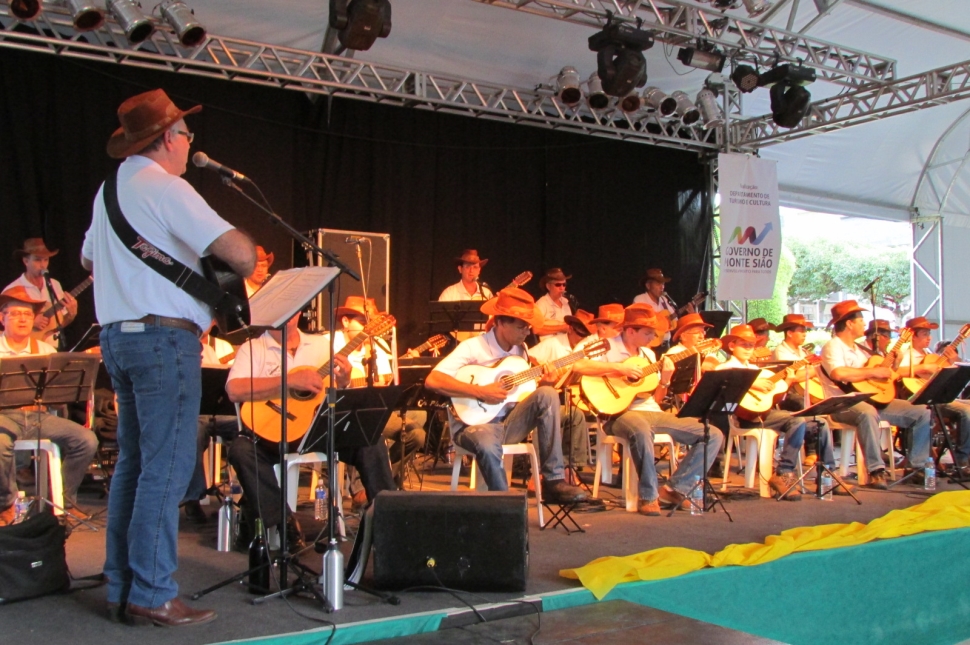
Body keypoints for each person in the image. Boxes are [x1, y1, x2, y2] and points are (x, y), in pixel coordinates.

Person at [82, 88, 256, 626]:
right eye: (185, 134)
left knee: (134, 467)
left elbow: (91, 257)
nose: (189, 142)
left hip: (119, 338)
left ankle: (123, 586)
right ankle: (154, 592)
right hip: (163, 342)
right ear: (165, 139)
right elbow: (243, 256)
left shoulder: (109, 189)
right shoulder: (167, 186)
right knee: (166, 469)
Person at [226, 312, 397, 541]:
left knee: (370, 438)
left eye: (294, 308)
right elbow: (234, 390)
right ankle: (283, 523)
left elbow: (332, 393)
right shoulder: (253, 348)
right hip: (268, 433)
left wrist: (344, 381)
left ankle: (389, 520)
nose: (289, 314)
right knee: (240, 450)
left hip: (316, 428)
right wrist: (288, 381)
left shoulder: (319, 345)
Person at [425, 287, 587, 504]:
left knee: (547, 394)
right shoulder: (473, 347)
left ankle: (553, 480)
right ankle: (505, 504)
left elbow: (522, 393)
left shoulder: (521, 351)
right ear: (501, 322)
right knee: (486, 441)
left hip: (509, 424)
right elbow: (433, 380)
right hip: (472, 427)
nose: (527, 332)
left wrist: (545, 383)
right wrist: (480, 391)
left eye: (528, 327)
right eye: (521, 327)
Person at [572, 304, 722, 515]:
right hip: (618, 414)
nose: (653, 337)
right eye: (648, 332)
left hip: (651, 412)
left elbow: (656, 399)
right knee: (641, 428)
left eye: (654, 332)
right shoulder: (606, 346)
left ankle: (675, 488)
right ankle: (648, 496)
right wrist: (618, 368)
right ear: (630, 330)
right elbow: (578, 366)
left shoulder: (649, 356)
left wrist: (665, 381)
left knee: (712, 434)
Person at [0, 287, 99, 526]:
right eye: (15, 314)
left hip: (38, 416)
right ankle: (6, 504)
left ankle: (63, 502)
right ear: (2, 318)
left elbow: (58, 398)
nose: (22, 319)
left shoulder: (45, 350)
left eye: (27, 314)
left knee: (86, 440)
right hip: (4, 417)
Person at [817, 300, 932, 489]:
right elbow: (839, 373)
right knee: (867, 412)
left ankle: (916, 467)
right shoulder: (833, 346)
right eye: (861, 320)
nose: (864, 324)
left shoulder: (861, 349)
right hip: (842, 404)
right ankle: (876, 470)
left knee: (921, 412)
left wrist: (894, 363)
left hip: (872, 400)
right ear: (849, 323)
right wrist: (872, 373)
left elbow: (881, 374)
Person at [333, 296, 426, 488]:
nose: (368, 328)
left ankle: (381, 478)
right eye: (362, 322)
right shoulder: (328, 343)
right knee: (367, 428)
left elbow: (383, 383)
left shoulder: (376, 349)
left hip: (372, 410)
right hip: (339, 413)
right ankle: (366, 488)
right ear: (345, 321)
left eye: (371, 323)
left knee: (416, 433)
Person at [716, 324, 815, 500]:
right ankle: (784, 474)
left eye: (751, 345)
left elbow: (773, 397)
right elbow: (724, 383)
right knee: (798, 421)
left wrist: (788, 382)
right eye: (743, 345)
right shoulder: (723, 367)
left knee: (799, 421)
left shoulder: (758, 370)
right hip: (741, 417)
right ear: (732, 346)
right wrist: (751, 384)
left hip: (762, 413)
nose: (748, 349)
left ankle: (783, 472)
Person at [896, 316, 970, 473]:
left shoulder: (929, 354)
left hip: (940, 396)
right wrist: (922, 369)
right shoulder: (905, 355)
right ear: (912, 336)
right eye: (924, 334)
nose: (929, 338)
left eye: (929, 334)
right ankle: (962, 460)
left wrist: (954, 359)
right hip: (923, 399)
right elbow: (895, 372)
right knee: (966, 412)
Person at [529, 310, 595, 469]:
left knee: (576, 415)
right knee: (547, 413)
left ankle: (571, 468)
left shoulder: (585, 348)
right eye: (580, 334)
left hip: (571, 395)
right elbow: (529, 356)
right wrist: (543, 369)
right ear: (571, 329)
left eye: (585, 335)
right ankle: (540, 470)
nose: (582, 338)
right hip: (547, 393)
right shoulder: (553, 343)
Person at [5, 238, 78, 347]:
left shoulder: (54, 284)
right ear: (26, 261)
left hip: (52, 348)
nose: (43, 265)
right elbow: (4, 324)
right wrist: (30, 321)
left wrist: (70, 315)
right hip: (25, 349)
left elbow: (57, 325)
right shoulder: (13, 289)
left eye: (46, 260)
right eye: (38, 260)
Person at [633, 268, 682, 347]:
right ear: (648, 286)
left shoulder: (665, 300)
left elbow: (675, 321)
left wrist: (668, 323)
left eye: (663, 284)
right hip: (649, 345)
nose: (662, 287)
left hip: (666, 344)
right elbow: (638, 323)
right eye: (658, 284)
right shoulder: (640, 299)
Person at [535, 268, 573, 339]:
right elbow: (536, 329)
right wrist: (561, 328)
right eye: (558, 285)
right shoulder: (542, 303)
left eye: (564, 285)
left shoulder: (566, 302)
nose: (562, 288)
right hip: (549, 345)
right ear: (548, 286)